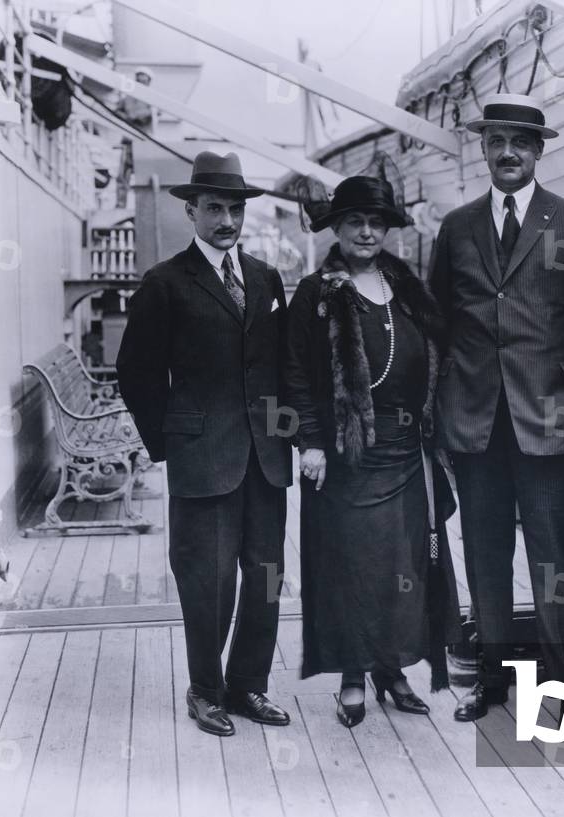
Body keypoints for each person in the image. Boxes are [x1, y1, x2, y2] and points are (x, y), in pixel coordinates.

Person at [429, 93, 564, 735]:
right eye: (497, 141)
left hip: (549, 420)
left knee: (556, 563)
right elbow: (437, 323)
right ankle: (492, 679)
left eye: (521, 143)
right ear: (483, 148)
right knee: (485, 556)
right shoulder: (457, 227)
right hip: (474, 419)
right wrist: (439, 411)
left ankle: (563, 694)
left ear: (538, 151)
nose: (508, 152)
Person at [117, 151, 292, 737]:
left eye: (235, 210)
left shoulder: (265, 279)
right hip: (202, 456)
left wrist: (289, 433)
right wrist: (173, 440)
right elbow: (136, 371)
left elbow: (282, 365)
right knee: (208, 581)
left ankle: (248, 685)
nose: (226, 220)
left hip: (266, 458)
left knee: (266, 576)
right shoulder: (165, 283)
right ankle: (205, 691)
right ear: (191, 211)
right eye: (214, 208)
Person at [283, 175, 461, 729]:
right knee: (352, 568)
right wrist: (311, 442)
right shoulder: (316, 293)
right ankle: (353, 676)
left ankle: (393, 669)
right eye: (355, 222)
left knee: (402, 567)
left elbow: (441, 356)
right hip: (347, 452)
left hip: (408, 452)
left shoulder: (406, 287)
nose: (366, 232)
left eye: (376, 222)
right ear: (336, 228)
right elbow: (294, 373)